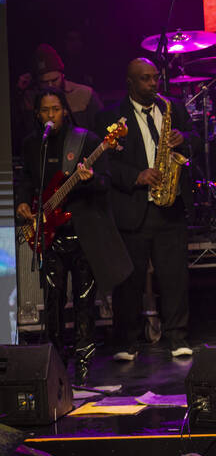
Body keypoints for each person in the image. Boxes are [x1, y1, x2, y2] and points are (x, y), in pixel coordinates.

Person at [15, 89, 133, 383]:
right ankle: (56, 364)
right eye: (45, 111)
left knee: (83, 301)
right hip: (50, 234)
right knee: (53, 301)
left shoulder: (87, 140)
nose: (51, 115)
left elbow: (106, 182)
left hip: (82, 234)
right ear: (38, 114)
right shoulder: (33, 145)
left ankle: (83, 365)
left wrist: (90, 179)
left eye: (56, 109)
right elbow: (28, 179)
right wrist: (22, 200)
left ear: (64, 111)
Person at [97, 58, 199, 360]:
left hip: (170, 205)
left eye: (155, 78)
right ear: (130, 82)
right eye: (145, 79)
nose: (153, 84)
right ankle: (127, 341)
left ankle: (177, 337)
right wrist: (136, 176)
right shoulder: (112, 115)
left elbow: (195, 138)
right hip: (134, 207)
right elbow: (104, 162)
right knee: (130, 280)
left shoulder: (173, 108)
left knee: (175, 277)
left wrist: (184, 139)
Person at [15, 44, 104, 139]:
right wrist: (19, 93)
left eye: (54, 80)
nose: (50, 85)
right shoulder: (29, 97)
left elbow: (102, 129)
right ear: (36, 81)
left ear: (62, 75)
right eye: (44, 82)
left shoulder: (85, 94)